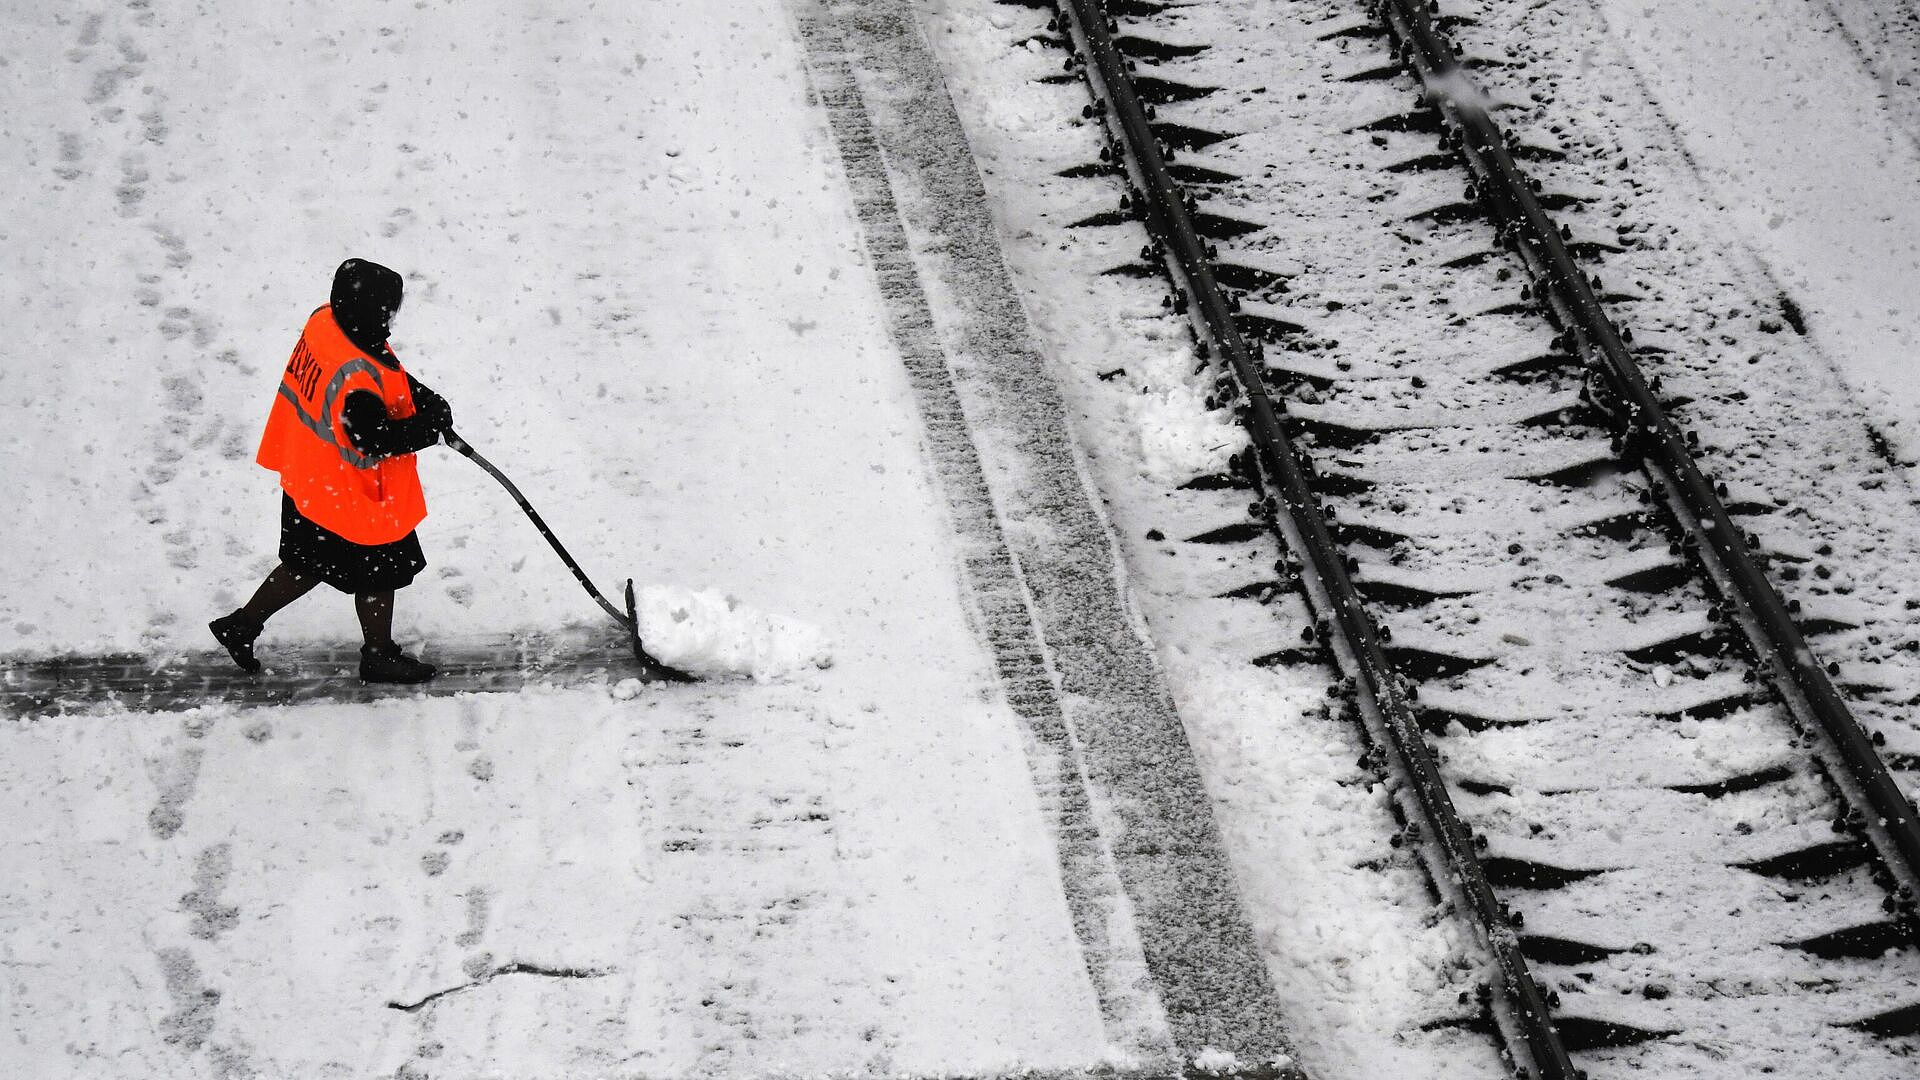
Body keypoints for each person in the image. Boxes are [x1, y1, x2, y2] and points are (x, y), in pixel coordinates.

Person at [209, 258, 452, 683]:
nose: (392, 319)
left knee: (309, 561)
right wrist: (427, 426)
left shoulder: (328, 322)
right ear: (369, 311)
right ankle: (378, 656)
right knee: (380, 570)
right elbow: (373, 439)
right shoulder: (356, 376)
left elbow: (382, 368)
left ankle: (242, 626)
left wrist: (420, 395)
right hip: (356, 495)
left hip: (313, 477)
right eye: (387, 310)